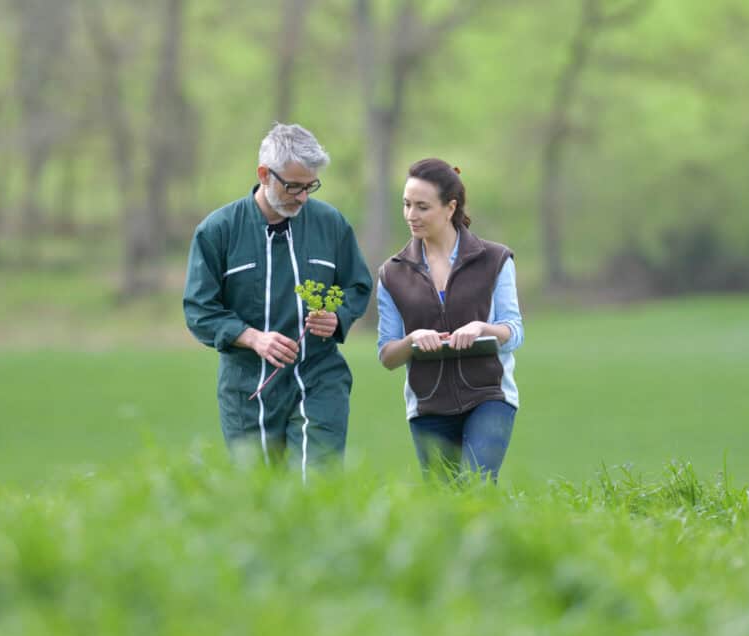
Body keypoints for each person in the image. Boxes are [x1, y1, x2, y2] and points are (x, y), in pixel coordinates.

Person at [183, 122, 372, 478]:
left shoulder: (331, 224)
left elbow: (357, 286)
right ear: (264, 174)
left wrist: (338, 317)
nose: (302, 197)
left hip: (319, 377)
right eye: (293, 186)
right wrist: (254, 338)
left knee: (318, 483)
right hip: (247, 387)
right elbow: (199, 310)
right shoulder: (218, 231)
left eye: (309, 187)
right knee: (262, 494)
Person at [376, 158, 524, 482]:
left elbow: (514, 332)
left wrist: (484, 328)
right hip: (427, 407)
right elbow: (387, 355)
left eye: (422, 207)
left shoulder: (495, 260)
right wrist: (412, 340)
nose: (411, 216)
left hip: (489, 396)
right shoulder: (392, 273)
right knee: (444, 506)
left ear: (449, 207)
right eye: (406, 205)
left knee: (477, 485)